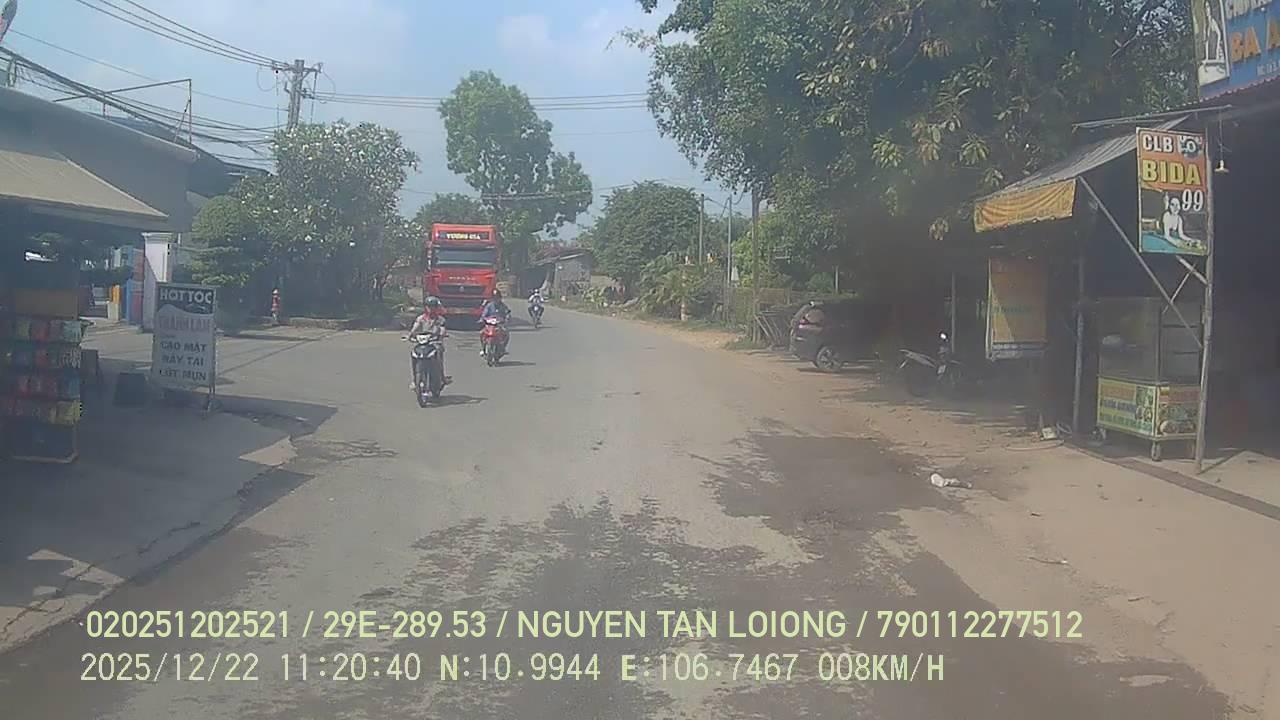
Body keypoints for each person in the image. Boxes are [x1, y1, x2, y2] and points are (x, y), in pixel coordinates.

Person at [408, 297, 447, 389]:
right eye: (429, 306)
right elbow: (415, 328)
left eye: (433, 306)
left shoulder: (440, 319)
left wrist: (441, 335)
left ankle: (441, 377)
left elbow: (442, 329)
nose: (431, 308)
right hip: (422, 342)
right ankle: (415, 380)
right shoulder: (421, 318)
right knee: (414, 354)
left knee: (438, 352)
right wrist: (410, 335)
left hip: (434, 342)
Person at [479, 290, 511, 355]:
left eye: (497, 298)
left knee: (506, 334)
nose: (496, 299)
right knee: (481, 333)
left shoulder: (503, 306)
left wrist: (507, 318)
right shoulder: (489, 306)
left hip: (499, 325)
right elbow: (484, 314)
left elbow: (507, 313)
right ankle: (483, 349)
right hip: (490, 325)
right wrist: (482, 319)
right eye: (494, 298)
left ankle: (503, 348)